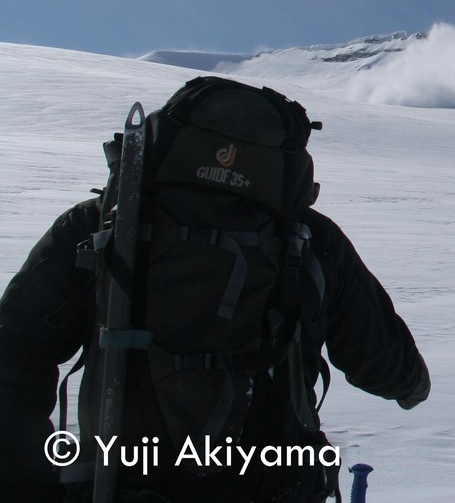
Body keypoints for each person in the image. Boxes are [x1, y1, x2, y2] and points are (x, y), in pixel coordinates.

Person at [0, 78, 431, 503]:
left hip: (123, 484)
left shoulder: (103, 226)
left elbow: (14, 348)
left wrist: (28, 485)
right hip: (274, 488)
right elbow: (387, 365)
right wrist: (411, 387)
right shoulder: (313, 241)